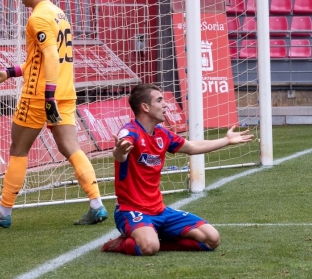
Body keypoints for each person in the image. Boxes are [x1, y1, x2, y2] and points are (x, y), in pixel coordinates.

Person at [0, 0, 107, 228]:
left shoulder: (38, 18)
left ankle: (3, 213)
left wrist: (47, 96)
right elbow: (39, 60)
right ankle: (97, 204)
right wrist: (9, 73)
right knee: (71, 148)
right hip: (65, 93)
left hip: (39, 97)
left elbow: (51, 57)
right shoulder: (59, 13)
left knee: (18, 151)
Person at [101, 84, 253, 256]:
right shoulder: (130, 132)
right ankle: (120, 244)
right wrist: (119, 152)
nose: (165, 104)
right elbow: (120, 154)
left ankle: (155, 238)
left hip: (159, 209)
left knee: (212, 239)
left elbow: (192, 147)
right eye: (159, 100)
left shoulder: (162, 134)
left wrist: (226, 140)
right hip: (130, 210)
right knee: (149, 247)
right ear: (145, 107)